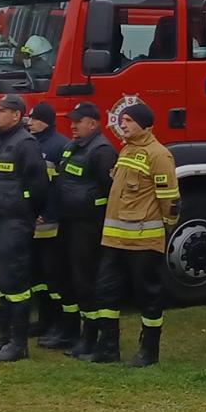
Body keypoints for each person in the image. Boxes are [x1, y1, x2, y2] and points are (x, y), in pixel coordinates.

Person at [90, 101, 178, 367]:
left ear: (144, 124)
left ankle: (149, 351)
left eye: (128, 120)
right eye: (123, 120)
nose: (123, 125)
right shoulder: (127, 149)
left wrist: (166, 227)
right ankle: (108, 347)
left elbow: (170, 199)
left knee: (148, 295)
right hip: (114, 239)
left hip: (143, 241)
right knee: (106, 291)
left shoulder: (159, 155)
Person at [0, 94, 49, 362]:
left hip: (14, 221)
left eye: (2, 111)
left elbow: (38, 185)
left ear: (17, 115)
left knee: (14, 281)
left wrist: (24, 208)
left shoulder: (25, 143)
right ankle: (2, 336)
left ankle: (18, 344)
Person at [57, 102, 117, 358]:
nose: (72, 126)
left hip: (89, 225)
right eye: (72, 121)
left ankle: (92, 336)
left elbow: (110, 191)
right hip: (70, 221)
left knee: (86, 279)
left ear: (92, 124)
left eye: (78, 121)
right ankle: (80, 333)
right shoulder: (74, 147)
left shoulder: (102, 151)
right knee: (71, 278)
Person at [26, 102, 74, 349]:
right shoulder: (31, 143)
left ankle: (57, 323)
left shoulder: (59, 146)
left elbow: (60, 187)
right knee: (37, 275)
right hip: (33, 221)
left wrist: (48, 213)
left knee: (53, 274)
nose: (29, 123)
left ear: (45, 121)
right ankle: (44, 320)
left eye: (34, 119)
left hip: (50, 223)